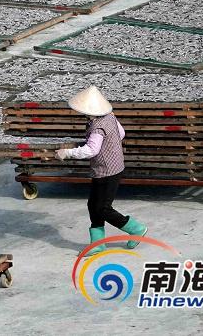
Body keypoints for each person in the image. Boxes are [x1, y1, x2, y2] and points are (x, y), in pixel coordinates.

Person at [52, 85, 148, 256]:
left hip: (107, 171)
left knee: (103, 208)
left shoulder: (98, 127)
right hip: (113, 167)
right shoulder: (110, 117)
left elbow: (91, 150)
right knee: (93, 205)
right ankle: (97, 243)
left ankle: (136, 228)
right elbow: (122, 133)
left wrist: (67, 153)